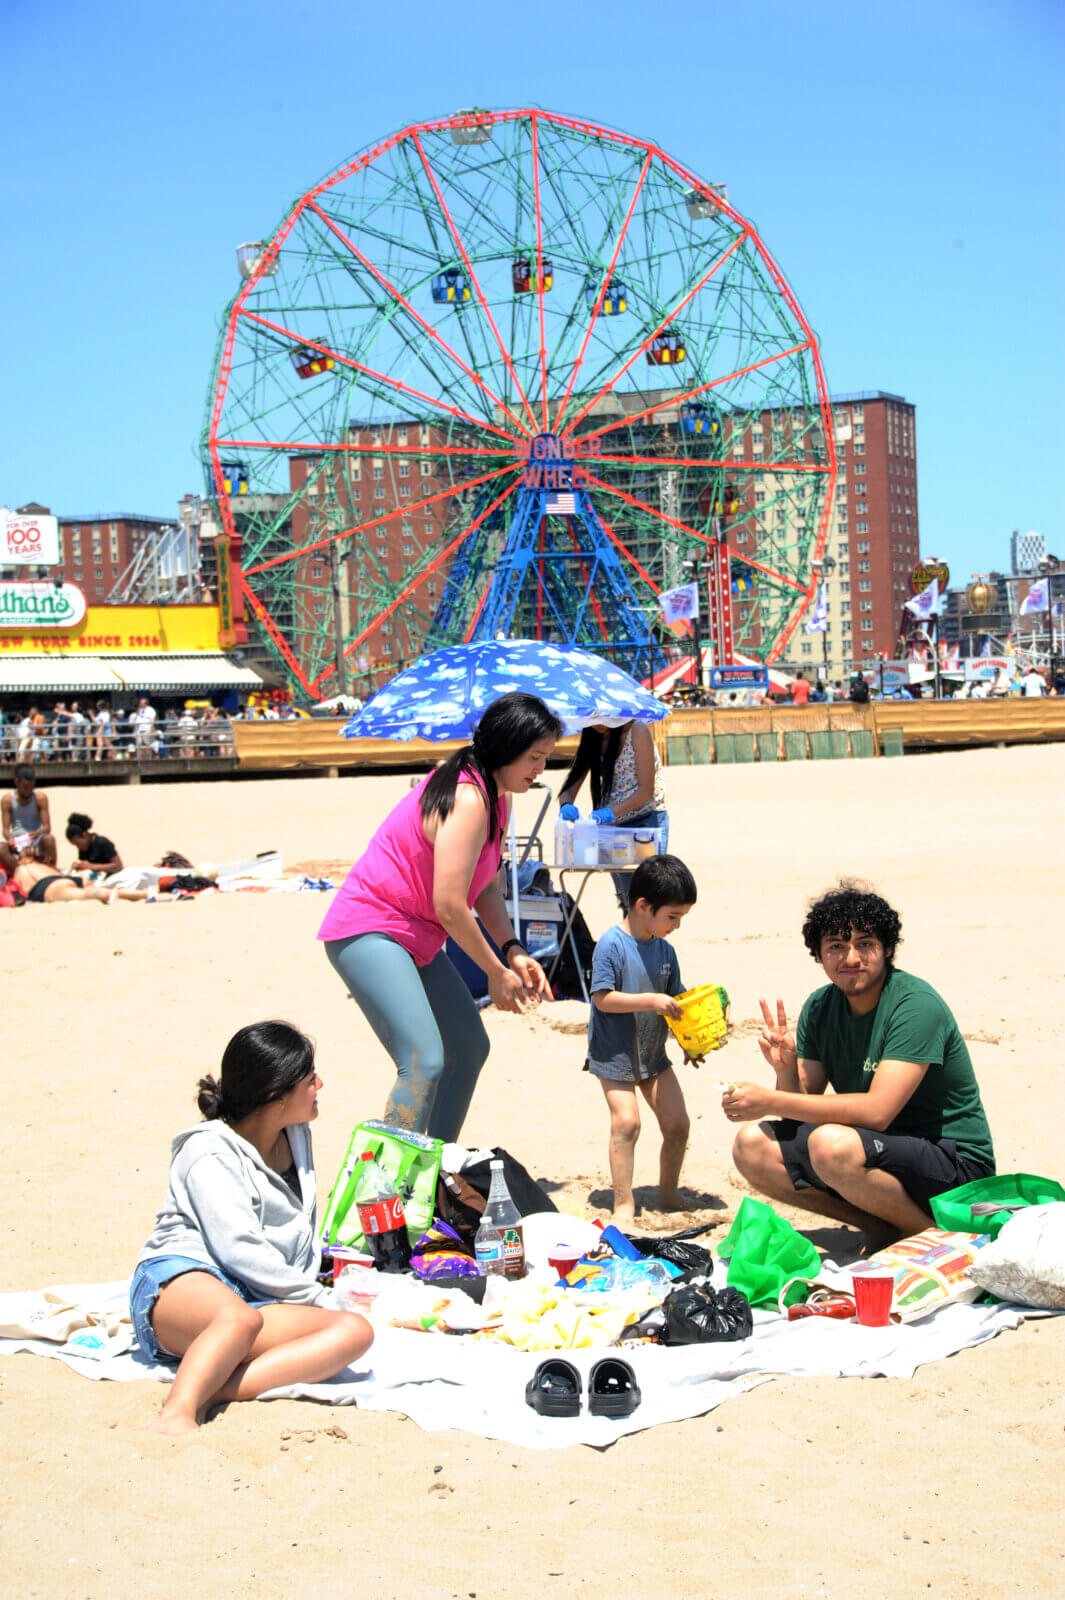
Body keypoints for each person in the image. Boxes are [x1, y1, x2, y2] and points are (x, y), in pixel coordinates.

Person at [319, 691, 563, 1141]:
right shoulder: (468, 797)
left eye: (545, 758)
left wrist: (512, 950)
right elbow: (450, 904)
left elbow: (485, 885)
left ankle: (431, 1169)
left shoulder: (499, 796)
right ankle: (387, 1190)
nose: (540, 770)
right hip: (370, 928)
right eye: (534, 757)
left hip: (417, 937)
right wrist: (494, 972)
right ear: (505, 748)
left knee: (469, 1047)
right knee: (423, 1060)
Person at [131, 1021, 372, 1434]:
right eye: (309, 1077)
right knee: (235, 1321)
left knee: (353, 1332)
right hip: (186, 1275)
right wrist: (313, 1296)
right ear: (276, 1095)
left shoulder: (295, 1135)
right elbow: (236, 1247)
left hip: (255, 1294)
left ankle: (221, 1388)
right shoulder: (208, 1151)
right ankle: (178, 1411)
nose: (320, 1083)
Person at [725, 883, 995, 1250]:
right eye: (836, 946)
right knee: (751, 1146)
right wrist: (785, 1070)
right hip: (872, 1150)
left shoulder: (914, 1005)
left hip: (952, 1162)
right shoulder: (820, 1008)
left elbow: (878, 1112)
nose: (851, 957)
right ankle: (882, 1226)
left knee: (830, 1145)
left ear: (887, 949)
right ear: (819, 956)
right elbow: (801, 1108)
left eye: (865, 944)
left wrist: (769, 1101)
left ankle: (930, 1239)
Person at [586, 854, 698, 1220]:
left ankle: (668, 1194)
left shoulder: (666, 951)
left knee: (678, 1124)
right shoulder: (611, 945)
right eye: (672, 917)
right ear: (642, 906)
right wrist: (652, 999)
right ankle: (623, 1202)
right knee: (627, 1123)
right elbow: (603, 1000)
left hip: (652, 1054)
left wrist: (689, 1041)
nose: (676, 926)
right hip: (614, 1055)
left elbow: (677, 1001)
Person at [557, 719, 668, 909]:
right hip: (614, 829)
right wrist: (566, 805)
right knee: (627, 900)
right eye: (592, 717)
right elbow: (569, 788)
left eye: (602, 716)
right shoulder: (593, 737)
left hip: (646, 822)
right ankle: (631, 938)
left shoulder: (637, 731)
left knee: (648, 900)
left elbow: (646, 791)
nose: (597, 723)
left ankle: (647, 939)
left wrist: (609, 812)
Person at [13, 833, 147, 903]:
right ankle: (141, 893)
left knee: (88, 894)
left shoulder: (21, 870)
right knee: (99, 889)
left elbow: (22, 893)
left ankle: (139, 894)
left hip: (47, 887)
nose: (18, 860)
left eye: (20, 857)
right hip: (65, 878)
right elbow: (58, 873)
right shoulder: (43, 866)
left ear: (26, 860)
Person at [1, 763, 51, 873]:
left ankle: (50, 872)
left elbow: (47, 827)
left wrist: (38, 832)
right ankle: (19, 871)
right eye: (25, 787)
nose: (28, 790)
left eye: (30, 787)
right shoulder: (7, 800)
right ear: (16, 782)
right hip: (17, 839)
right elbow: (5, 829)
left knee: (49, 839)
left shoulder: (40, 798)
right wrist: (10, 839)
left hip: (35, 838)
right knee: (1, 847)